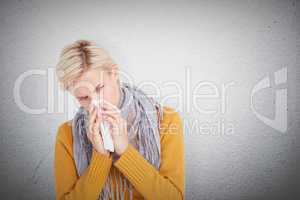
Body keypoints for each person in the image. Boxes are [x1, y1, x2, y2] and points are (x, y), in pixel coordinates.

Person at [54, 40, 185, 200]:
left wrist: (124, 151)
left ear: (114, 73)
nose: (96, 102)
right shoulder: (67, 134)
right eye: (83, 97)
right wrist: (100, 156)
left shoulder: (165, 120)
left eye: (99, 88)